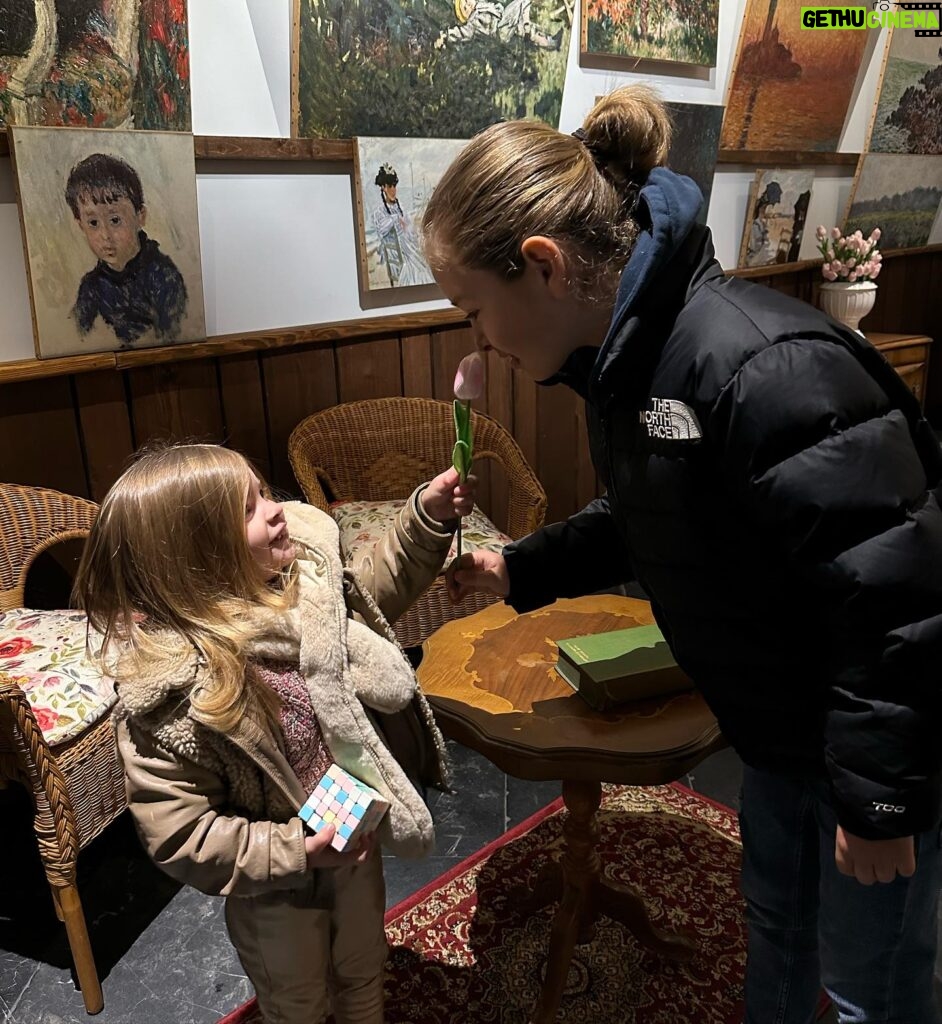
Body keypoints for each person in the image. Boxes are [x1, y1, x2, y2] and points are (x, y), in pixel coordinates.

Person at [423, 85, 942, 1024]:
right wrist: (521, 569)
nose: (480, 341)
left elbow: (897, 596)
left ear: (541, 265)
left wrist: (879, 801)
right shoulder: (630, 366)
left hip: (870, 734)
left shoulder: (757, 364)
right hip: (784, 727)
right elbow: (651, 514)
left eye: (471, 308)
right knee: (779, 930)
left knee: (874, 981)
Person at [75, 443, 475, 1024]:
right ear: (196, 556)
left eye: (264, 493)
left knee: (364, 966)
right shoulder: (172, 698)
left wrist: (428, 519)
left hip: (353, 838)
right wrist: (295, 852)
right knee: (297, 1001)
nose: (275, 509)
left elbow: (378, 587)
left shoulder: (304, 591)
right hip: (276, 890)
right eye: (247, 509)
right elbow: (181, 835)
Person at [65, 152, 188, 346]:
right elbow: (79, 338)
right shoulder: (91, 287)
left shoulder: (163, 276)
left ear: (141, 216)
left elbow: (173, 336)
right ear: (81, 225)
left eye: (115, 220)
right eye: (93, 223)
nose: (105, 235)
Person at [370, 163, 427, 288]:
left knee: (423, 255)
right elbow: (382, 230)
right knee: (417, 265)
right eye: (390, 186)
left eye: (394, 186)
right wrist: (396, 218)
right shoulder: (379, 211)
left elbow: (408, 225)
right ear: (384, 187)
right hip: (397, 252)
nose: (393, 189)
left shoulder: (399, 205)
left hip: (406, 244)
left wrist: (413, 230)